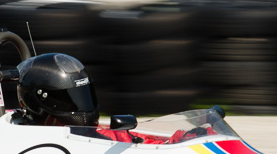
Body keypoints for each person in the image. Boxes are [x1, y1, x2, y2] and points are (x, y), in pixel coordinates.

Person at [13, 53, 181, 143]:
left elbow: (123, 138)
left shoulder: (92, 136)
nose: (83, 107)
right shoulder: (17, 137)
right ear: (42, 101)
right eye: (70, 99)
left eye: (83, 96)